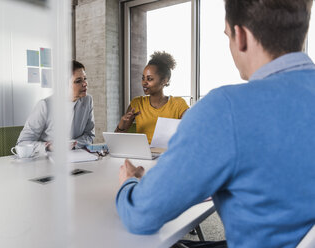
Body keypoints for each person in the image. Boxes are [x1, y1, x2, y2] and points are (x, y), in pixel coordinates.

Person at [116, 0, 315, 247]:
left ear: (240, 36)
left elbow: (140, 215)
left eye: (227, 35)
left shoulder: (226, 109)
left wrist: (129, 181)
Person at [17, 60, 95, 154]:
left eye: (85, 79)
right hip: (47, 160)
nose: (85, 84)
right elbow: (22, 143)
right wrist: (49, 147)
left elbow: (89, 135)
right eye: (78, 81)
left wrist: (72, 145)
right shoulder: (45, 105)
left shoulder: (87, 100)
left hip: (76, 157)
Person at [115, 51, 189, 144]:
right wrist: (122, 123)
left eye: (149, 79)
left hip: (168, 154)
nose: (144, 82)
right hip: (142, 155)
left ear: (164, 81)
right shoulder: (137, 103)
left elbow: (190, 132)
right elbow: (117, 142)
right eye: (143, 78)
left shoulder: (178, 104)